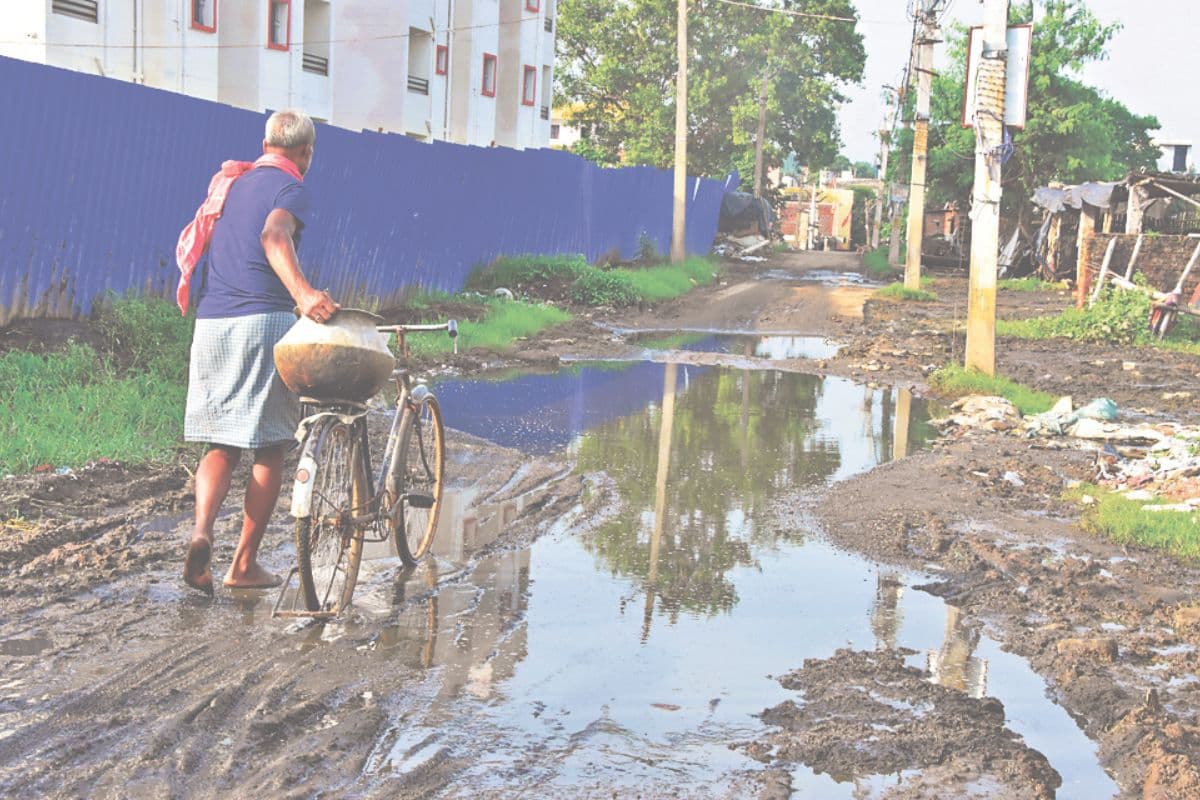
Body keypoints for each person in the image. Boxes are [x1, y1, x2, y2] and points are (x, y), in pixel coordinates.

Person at [179, 108, 339, 596]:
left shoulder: (234, 184)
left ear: (266, 143)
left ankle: (202, 532)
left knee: (220, 443)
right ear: (306, 152)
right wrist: (304, 294)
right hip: (262, 321)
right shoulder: (290, 187)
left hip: (212, 323)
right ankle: (243, 565)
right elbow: (274, 235)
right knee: (271, 444)